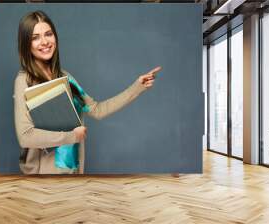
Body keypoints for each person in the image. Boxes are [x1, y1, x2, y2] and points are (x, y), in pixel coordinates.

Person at [14, 10, 162, 174]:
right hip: (45, 173)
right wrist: (71, 136)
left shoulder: (66, 77)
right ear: (26, 43)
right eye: (35, 37)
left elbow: (97, 110)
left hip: (73, 169)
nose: (44, 41)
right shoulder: (24, 81)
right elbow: (25, 136)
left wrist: (137, 86)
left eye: (48, 34)